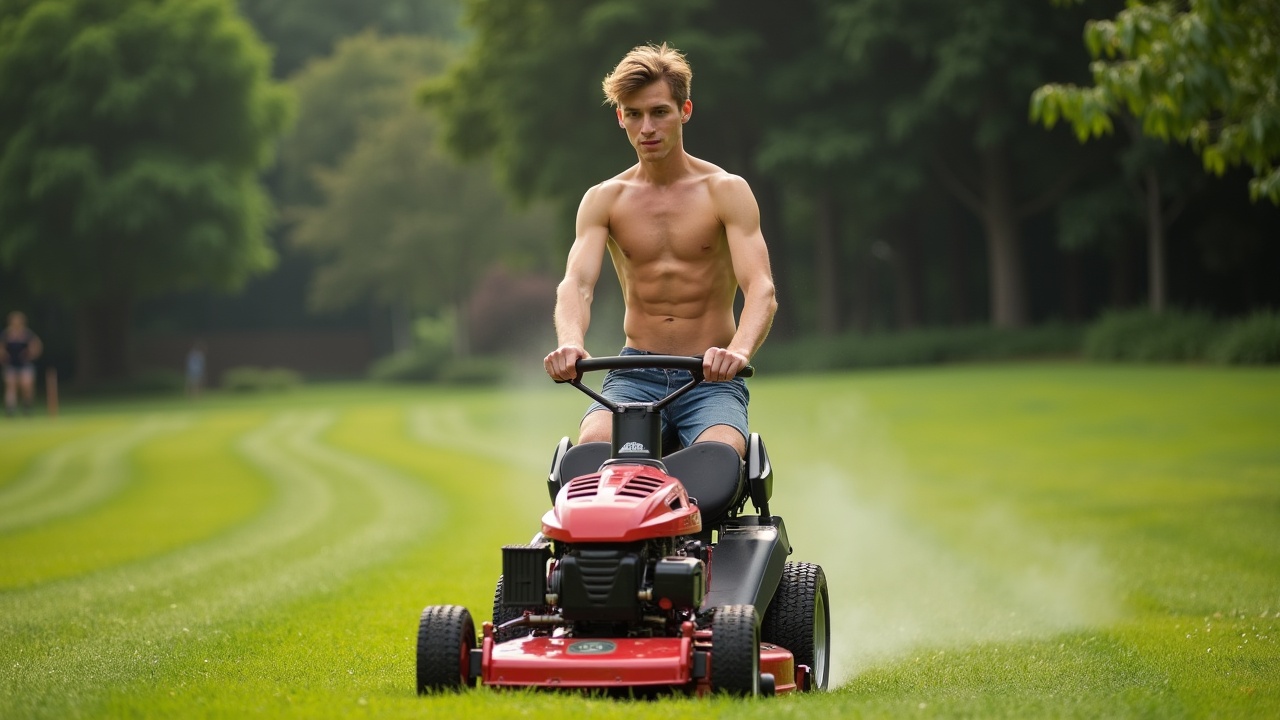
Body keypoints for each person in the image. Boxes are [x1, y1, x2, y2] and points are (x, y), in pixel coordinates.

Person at [543, 43, 777, 458]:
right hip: (633, 372)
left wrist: (737, 352)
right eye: (634, 114)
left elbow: (761, 288)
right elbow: (577, 283)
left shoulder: (726, 191)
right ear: (621, 118)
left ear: (684, 110)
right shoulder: (605, 199)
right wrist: (570, 342)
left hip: (710, 377)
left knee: (719, 459)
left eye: (659, 112)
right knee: (591, 453)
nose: (647, 127)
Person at [1, 311, 43, 417]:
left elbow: (37, 346)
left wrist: (29, 354)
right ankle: (11, 409)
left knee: (27, 385)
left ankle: (27, 406)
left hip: (25, 364)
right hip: (10, 364)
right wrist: (3, 356)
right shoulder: (6, 335)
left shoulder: (27, 334)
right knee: (11, 386)